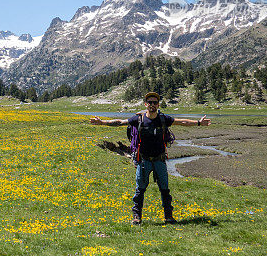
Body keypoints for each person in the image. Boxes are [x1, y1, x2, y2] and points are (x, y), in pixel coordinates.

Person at [90, 92, 211, 225]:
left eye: (155, 102)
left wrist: (199, 123)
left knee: (165, 189)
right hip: (144, 160)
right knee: (140, 189)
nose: (152, 105)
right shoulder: (139, 119)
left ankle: (168, 217)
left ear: (158, 104)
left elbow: (181, 121)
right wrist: (102, 122)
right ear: (146, 104)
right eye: (150, 102)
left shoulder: (163, 118)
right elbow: (120, 122)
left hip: (160, 160)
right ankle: (137, 216)